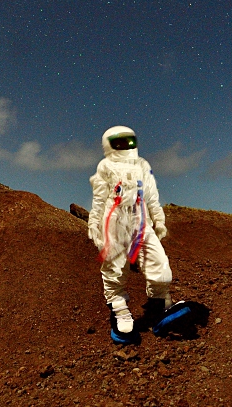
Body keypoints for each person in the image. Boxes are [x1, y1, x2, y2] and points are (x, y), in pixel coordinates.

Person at [88, 125, 173, 343]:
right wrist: (94, 223)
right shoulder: (105, 166)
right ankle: (119, 311)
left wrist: (159, 218)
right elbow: (98, 198)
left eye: (130, 141)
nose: (126, 146)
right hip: (114, 222)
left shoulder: (142, 165)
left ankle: (157, 305)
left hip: (141, 223)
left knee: (161, 268)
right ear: (109, 144)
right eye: (120, 142)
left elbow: (152, 195)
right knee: (114, 270)